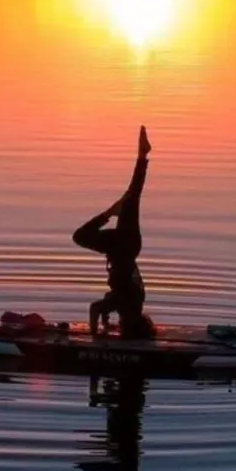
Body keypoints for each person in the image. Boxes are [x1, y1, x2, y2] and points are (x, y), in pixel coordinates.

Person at [73, 126, 156, 339]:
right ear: (129, 321)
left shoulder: (138, 299)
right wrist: (94, 335)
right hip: (120, 250)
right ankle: (110, 211)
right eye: (122, 322)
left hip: (132, 247)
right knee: (79, 237)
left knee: (132, 196)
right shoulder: (125, 301)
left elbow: (109, 299)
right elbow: (95, 307)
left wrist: (105, 322)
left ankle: (142, 156)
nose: (120, 321)